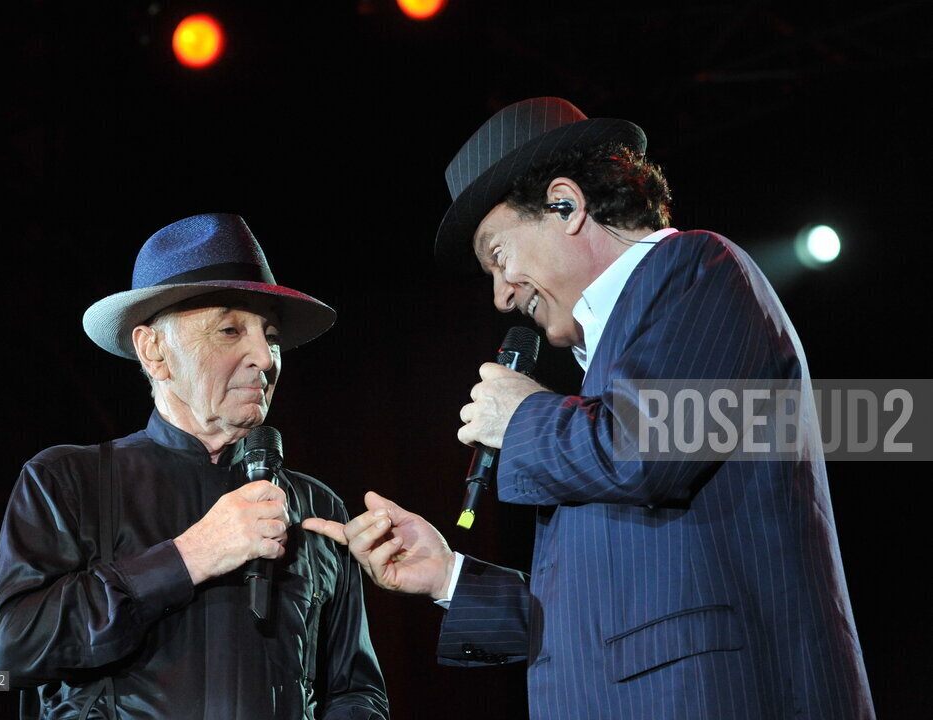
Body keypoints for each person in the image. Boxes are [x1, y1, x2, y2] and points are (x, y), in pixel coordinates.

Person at [303, 98, 874, 719]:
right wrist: (448, 577)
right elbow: (600, 617)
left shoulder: (695, 269)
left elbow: (645, 450)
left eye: (500, 258)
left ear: (566, 206)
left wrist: (520, 417)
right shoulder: (599, 380)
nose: (501, 295)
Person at [0, 214, 388, 720]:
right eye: (229, 329)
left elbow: (356, 692)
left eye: (271, 334)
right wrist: (191, 554)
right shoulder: (68, 481)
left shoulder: (316, 506)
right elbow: (13, 648)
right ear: (154, 352)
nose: (265, 357)